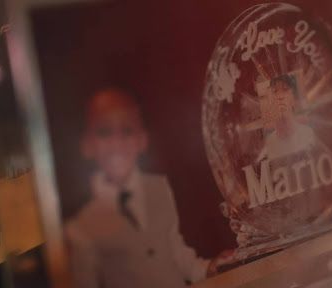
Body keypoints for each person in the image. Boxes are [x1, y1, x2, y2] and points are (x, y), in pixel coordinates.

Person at [66, 88, 225, 288]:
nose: (117, 141)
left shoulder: (159, 188)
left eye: (127, 130)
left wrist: (207, 268)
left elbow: (176, 253)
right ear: (87, 145)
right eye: (104, 132)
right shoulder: (82, 225)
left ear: (142, 140)